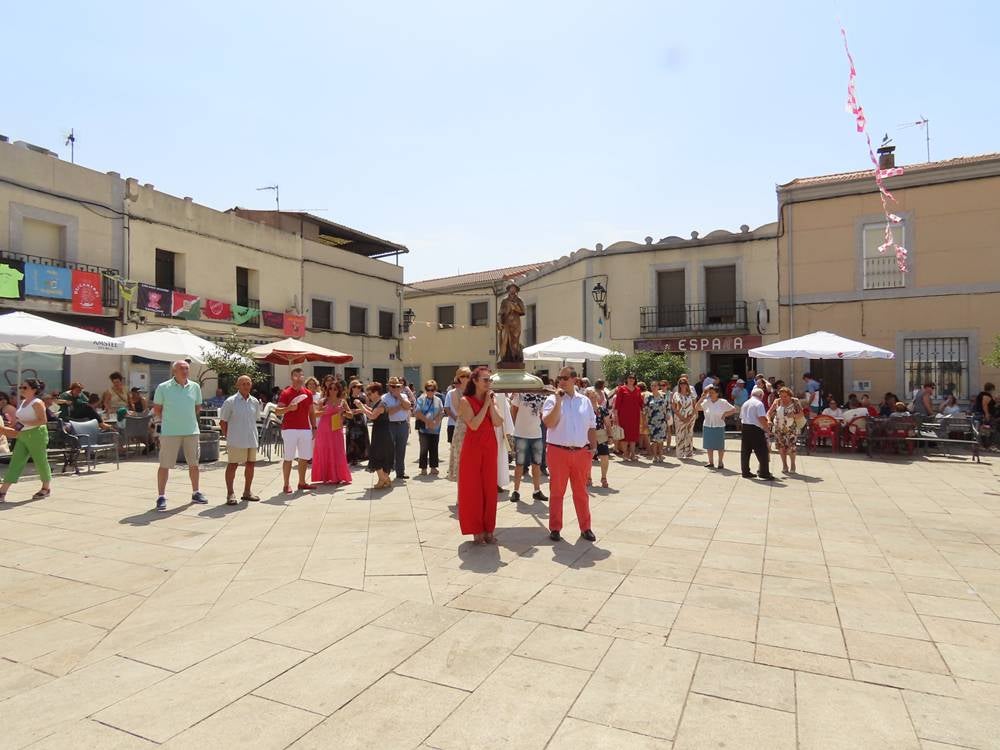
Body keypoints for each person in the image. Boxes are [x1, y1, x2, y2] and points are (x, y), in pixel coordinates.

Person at [543, 366, 598, 543]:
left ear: (575, 379)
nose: (561, 381)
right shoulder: (552, 400)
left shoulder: (585, 401)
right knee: (557, 492)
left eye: (565, 378)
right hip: (558, 451)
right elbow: (549, 423)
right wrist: (558, 401)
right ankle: (555, 528)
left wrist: (593, 447)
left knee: (581, 492)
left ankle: (585, 527)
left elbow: (591, 425)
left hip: (581, 452)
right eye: (559, 378)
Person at [457, 366, 502, 544]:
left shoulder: (492, 398)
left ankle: (489, 529)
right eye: (485, 380)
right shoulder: (465, 400)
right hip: (473, 447)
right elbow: (474, 425)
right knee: (473, 489)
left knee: (490, 488)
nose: (488, 383)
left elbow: (498, 422)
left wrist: (491, 404)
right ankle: (476, 530)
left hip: (490, 445)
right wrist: (486, 405)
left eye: (490, 380)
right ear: (475, 381)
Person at [152, 361, 206, 511]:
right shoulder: (163, 387)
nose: (185, 371)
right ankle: (161, 496)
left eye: (187, 368)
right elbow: (157, 409)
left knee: (194, 464)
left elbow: (197, 407)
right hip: (170, 432)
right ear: (174, 371)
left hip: (191, 431)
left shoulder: (195, 387)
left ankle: (196, 492)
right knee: (165, 464)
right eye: (182, 368)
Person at [0, 379, 52, 502]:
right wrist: (14, 425)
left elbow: (43, 420)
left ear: (34, 389)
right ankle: (2, 491)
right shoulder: (23, 402)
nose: (21, 390)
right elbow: (20, 420)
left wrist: (24, 423)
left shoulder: (37, 402)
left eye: (25, 387)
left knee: (40, 461)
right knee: (16, 462)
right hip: (23, 434)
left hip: (36, 434)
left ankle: (46, 488)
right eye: (21, 387)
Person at [219, 375, 262, 504]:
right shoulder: (230, 401)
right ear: (237, 385)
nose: (246, 386)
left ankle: (247, 492)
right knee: (233, 465)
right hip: (236, 440)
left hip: (251, 439)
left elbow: (255, 419)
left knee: (251, 465)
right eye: (243, 383)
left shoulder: (255, 401)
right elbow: (223, 422)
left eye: (248, 383)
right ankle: (230, 494)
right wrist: (229, 437)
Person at [275, 367, 317, 494]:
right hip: (289, 429)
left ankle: (302, 482)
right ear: (291, 377)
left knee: (304, 457)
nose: (299, 378)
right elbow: (277, 411)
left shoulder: (308, 393)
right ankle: (286, 484)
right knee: (288, 457)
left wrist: (314, 427)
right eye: (296, 376)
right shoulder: (286, 392)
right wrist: (288, 408)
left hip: (305, 429)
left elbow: (311, 412)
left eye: (301, 375)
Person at [311, 376, 352, 485]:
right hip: (324, 430)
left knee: (338, 451)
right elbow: (315, 414)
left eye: (335, 389)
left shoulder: (342, 401)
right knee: (325, 451)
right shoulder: (323, 401)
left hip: (336, 429)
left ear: (339, 390)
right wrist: (323, 412)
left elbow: (351, 415)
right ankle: (326, 476)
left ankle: (338, 476)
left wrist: (344, 412)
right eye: (330, 388)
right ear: (327, 389)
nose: (332, 391)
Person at [510, 390, 547, 503]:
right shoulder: (520, 393)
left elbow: (543, 414)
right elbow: (513, 409)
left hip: (536, 434)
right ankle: (516, 491)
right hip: (521, 434)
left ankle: (537, 491)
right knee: (519, 464)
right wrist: (517, 426)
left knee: (537, 464)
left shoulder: (542, 396)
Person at [355, 382, 393, 489]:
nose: (368, 396)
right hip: (380, 432)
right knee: (377, 455)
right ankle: (382, 480)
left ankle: (385, 479)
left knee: (376, 455)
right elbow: (372, 411)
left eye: (370, 393)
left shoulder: (382, 404)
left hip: (382, 434)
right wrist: (362, 408)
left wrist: (361, 407)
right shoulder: (378, 403)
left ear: (376, 392)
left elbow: (372, 416)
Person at [698, 385, 738, 469]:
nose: (710, 394)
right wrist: (701, 398)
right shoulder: (706, 402)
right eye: (710, 393)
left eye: (712, 393)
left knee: (720, 446)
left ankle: (720, 462)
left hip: (719, 426)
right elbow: (697, 408)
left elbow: (734, 409)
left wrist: (725, 414)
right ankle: (711, 462)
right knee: (709, 445)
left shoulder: (722, 402)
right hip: (708, 425)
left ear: (717, 393)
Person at [740, 387, 775, 480]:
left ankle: (745, 472)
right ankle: (764, 473)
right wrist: (767, 430)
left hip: (745, 427)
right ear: (761, 395)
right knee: (762, 451)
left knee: (745, 451)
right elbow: (761, 418)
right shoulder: (759, 404)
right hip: (755, 429)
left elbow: (741, 417)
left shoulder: (745, 403)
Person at [767, 386, 805, 473]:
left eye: (785, 396)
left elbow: (801, 414)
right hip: (779, 428)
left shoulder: (795, 401)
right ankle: (784, 465)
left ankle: (793, 465)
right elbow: (769, 413)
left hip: (791, 428)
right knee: (781, 447)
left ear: (789, 395)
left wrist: (793, 415)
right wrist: (769, 420)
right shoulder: (777, 401)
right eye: (781, 396)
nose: (783, 398)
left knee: (791, 447)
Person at [382, 376, 412, 480]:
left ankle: (400, 472)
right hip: (390, 425)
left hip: (402, 424)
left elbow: (408, 406)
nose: (396, 388)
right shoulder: (384, 397)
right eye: (393, 386)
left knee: (401, 449)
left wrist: (399, 397)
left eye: (398, 386)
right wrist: (400, 406)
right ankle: (386, 472)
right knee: (389, 450)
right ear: (389, 387)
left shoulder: (403, 395)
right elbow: (388, 412)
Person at [447, 368, 473, 481]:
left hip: (475, 426)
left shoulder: (475, 391)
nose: (465, 378)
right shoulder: (453, 393)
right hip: (462, 426)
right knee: (461, 458)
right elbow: (459, 411)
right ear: (458, 378)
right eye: (462, 376)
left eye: (468, 376)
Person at [415, 380, 443, 475]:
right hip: (424, 429)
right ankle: (423, 468)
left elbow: (441, 412)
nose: (430, 392)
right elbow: (417, 412)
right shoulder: (421, 399)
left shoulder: (438, 400)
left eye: (432, 390)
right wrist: (428, 422)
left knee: (434, 448)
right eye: (428, 389)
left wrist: (435, 422)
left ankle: (433, 467)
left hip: (435, 428)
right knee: (424, 448)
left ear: (435, 390)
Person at [613, 374, 643, 461]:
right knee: (624, 436)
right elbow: (617, 404)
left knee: (633, 435)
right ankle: (625, 454)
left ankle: (633, 454)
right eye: (630, 378)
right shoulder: (622, 389)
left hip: (635, 416)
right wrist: (616, 416)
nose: (631, 379)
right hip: (624, 416)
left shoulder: (638, 389)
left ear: (635, 380)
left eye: (633, 378)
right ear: (627, 379)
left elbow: (640, 402)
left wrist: (644, 410)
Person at [588, 387, 612, 488]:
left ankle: (604, 478)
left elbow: (607, 423)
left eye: (594, 397)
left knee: (604, 456)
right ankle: (588, 478)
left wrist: (610, 436)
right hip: (588, 435)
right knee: (588, 458)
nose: (593, 399)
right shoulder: (584, 409)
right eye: (591, 397)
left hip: (601, 434)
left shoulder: (602, 409)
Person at [643, 380, 670, 463]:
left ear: (658, 387)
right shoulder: (648, 397)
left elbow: (668, 407)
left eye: (655, 386)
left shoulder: (664, 396)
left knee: (661, 440)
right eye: (652, 386)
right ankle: (655, 456)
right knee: (654, 441)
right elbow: (644, 410)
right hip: (652, 422)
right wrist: (645, 421)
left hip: (662, 421)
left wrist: (668, 415)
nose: (654, 387)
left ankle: (661, 456)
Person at [345, 380, 370, 465]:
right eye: (357, 387)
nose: (359, 389)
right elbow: (347, 411)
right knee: (352, 439)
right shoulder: (348, 399)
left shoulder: (362, 398)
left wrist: (359, 410)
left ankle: (361, 457)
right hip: (351, 421)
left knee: (362, 438)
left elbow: (366, 408)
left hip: (361, 420)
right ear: (352, 388)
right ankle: (353, 458)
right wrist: (360, 410)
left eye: (360, 387)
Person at [445, 368, 471, 446]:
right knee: (454, 447)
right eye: (455, 383)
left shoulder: (470, 393)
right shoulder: (451, 393)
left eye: (458, 382)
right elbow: (447, 408)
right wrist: (456, 418)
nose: (456, 384)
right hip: (453, 424)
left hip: (468, 424)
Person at [494, 391, 515, 493]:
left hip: (498, 430)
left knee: (499, 457)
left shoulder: (500, 395)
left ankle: (497, 481)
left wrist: (507, 431)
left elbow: (505, 413)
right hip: (487, 429)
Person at [671, 377, 696, 458]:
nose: (683, 384)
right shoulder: (676, 394)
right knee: (680, 435)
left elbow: (695, 406)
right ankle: (680, 454)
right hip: (679, 417)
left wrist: (690, 417)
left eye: (684, 383)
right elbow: (674, 407)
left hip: (690, 417)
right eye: (681, 383)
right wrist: (681, 417)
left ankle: (689, 453)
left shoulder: (691, 394)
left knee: (689, 434)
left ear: (687, 384)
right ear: (679, 385)